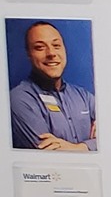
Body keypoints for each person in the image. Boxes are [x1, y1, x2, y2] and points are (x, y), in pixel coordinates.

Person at [11, 21, 95, 151]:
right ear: (29, 54)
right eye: (40, 47)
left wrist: (80, 148)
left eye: (56, 45)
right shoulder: (18, 99)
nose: (51, 53)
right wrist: (93, 145)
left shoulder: (83, 96)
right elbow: (50, 153)